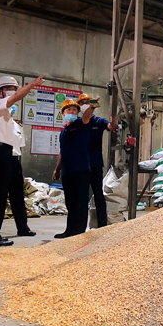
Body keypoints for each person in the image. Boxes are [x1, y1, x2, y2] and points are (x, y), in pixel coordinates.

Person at [0, 75, 44, 247]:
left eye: (14, 89)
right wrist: (31, 85)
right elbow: (17, 97)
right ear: (0, 91)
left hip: (4, 153)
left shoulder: (7, 116)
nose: (13, 92)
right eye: (9, 88)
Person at [53, 93, 117, 228]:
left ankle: (101, 225)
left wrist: (113, 117)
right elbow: (63, 150)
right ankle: (72, 229)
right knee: (76, 198)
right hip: (75, 166)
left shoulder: (93, 122)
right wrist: (58, 168)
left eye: (88, 102)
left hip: (93, 163)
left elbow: (111, 127)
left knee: (97, 194)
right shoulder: (70, 127)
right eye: (82, 103)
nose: (85, 105)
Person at [0, 105, 36, 238]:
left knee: (18, 196)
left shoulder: (17, 126)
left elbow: (20, 147)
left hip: (14, 161)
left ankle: (23, 228)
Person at [53, 98, 97, 238]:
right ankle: (69, 231)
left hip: (81, 170)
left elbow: (87, 115)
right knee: (70, 203)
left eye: (74, 110)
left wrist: (92, 106)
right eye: (69, 109)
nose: (71, 112)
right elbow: (62, 151)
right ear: (63, 113)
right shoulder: (63, 131)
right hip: (68, 171)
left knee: (80, 203)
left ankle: (79, 233)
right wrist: (57, 169)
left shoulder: (81, 124)